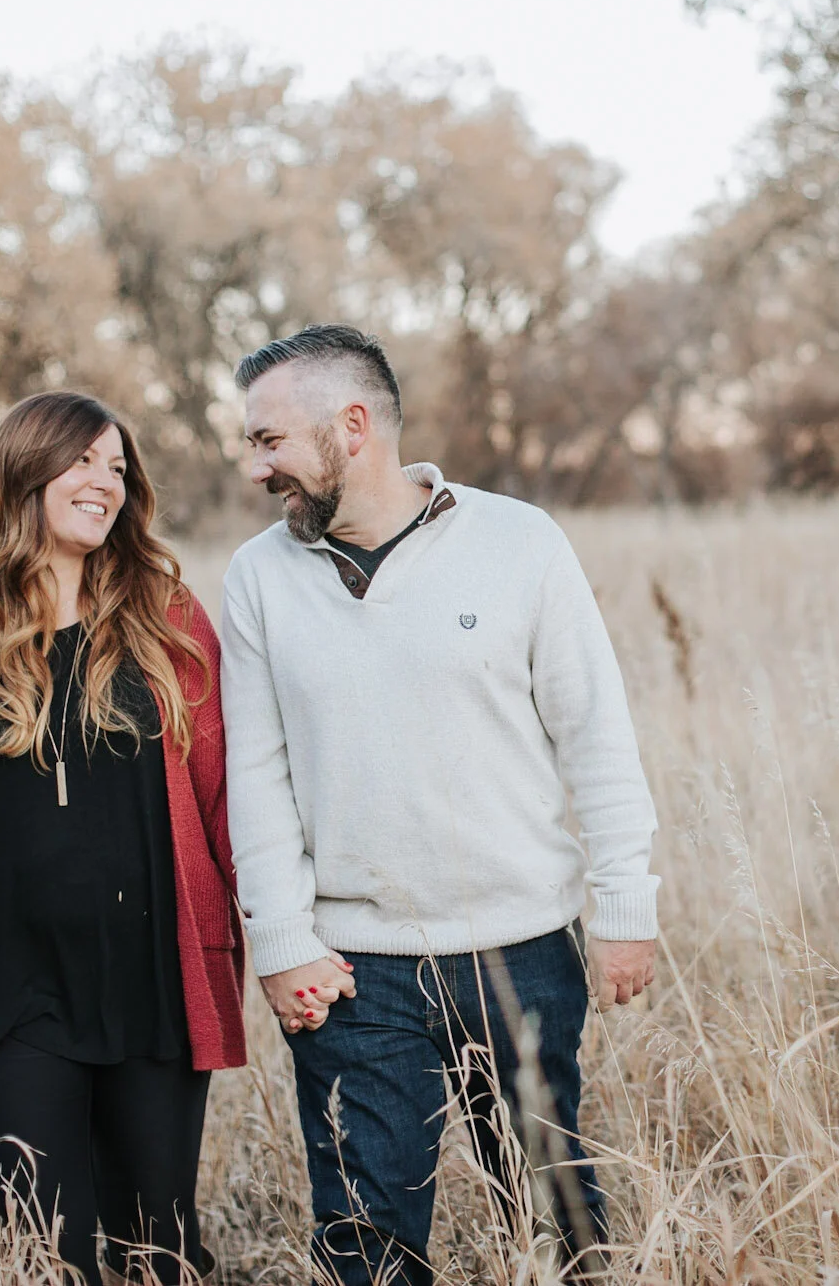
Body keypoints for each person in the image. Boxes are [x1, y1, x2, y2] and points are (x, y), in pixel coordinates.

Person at [221, 325, 660, 1284]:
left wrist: (626, 907)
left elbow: (597, 734)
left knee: (554, 1218)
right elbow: (254, 776)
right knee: (366, 1246)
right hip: (352, 969)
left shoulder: (519, 540)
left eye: (269, 440)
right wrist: (281, 938)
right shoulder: (257, 578)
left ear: (352, 424)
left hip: (523, 947)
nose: (255, 468)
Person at [0, 391, 244, 1286]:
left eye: (118, 467)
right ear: (23, 471)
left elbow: (226, 803)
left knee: (163, 1253)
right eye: (83, 460)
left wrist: (281, 944)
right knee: (41, 1258)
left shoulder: (169, 624)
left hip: (154, 987)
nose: (105, 481)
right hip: (5, 1002)